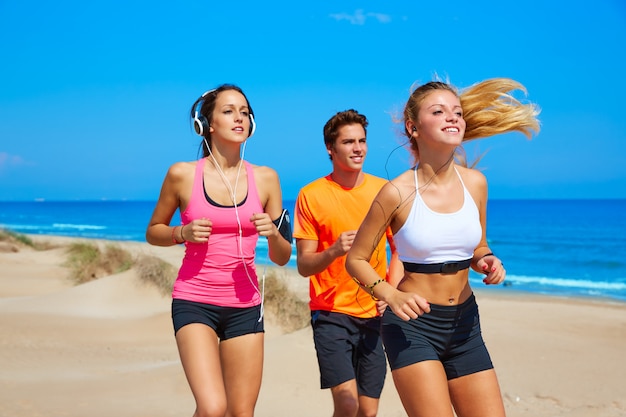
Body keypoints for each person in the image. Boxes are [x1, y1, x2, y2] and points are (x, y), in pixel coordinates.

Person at [345, 78, 540, 417]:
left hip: (466, 324)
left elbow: (478, 245)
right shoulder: (396, 192)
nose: (453, 118)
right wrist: (390, 294)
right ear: (413, 127)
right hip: (412, 328)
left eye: (458, 112)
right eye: (438, 112)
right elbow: (356, 259)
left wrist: (487, 260)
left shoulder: (476, 183)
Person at [145, 84, 293, 417]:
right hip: (195, 300)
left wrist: (273, 235)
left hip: (245, 307)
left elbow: (283, 256)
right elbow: (153, 232)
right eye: (228, 111)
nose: (239, 117)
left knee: (241, 413)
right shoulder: (182, 175)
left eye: (244, 111)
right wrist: (181, 232)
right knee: (213, 408)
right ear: (207, 124)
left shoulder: (267, 178)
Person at [293, 109, 402, 417]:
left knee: (367, 411)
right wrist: (334, 251)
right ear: (331, 147)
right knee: (347, 404)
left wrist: (389, 292)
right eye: (349, 142)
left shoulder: (385, 191)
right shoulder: (311, 195)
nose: (358, 148)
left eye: (362, 141)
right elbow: (304, 265)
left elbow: (400, 252)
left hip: (374, 316)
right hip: (330, 313)